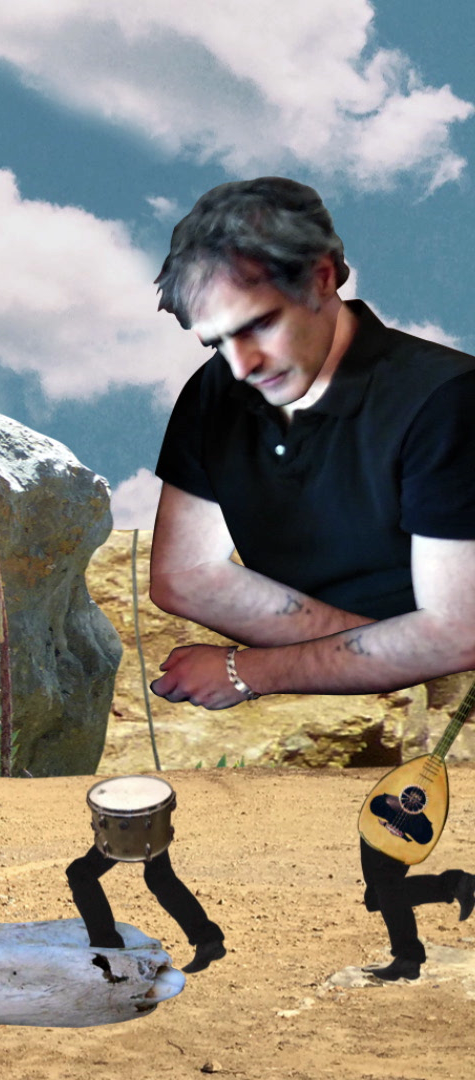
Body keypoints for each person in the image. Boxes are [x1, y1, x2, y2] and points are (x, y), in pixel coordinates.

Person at [146, 176, 475, 980]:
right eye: (215, 342)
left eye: (258, 324)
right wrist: (395, 649)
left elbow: (455, 632)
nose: (241, 364)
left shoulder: (445, 398)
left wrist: (247, 670)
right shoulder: (216, 393)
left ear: (323, 278)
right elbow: (182, 578)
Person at [64, 808, 226, 974]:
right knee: (159, 877)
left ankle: (109, 950)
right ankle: (209, 940)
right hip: (151, 816)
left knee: (80, 874)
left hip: (126, 821)